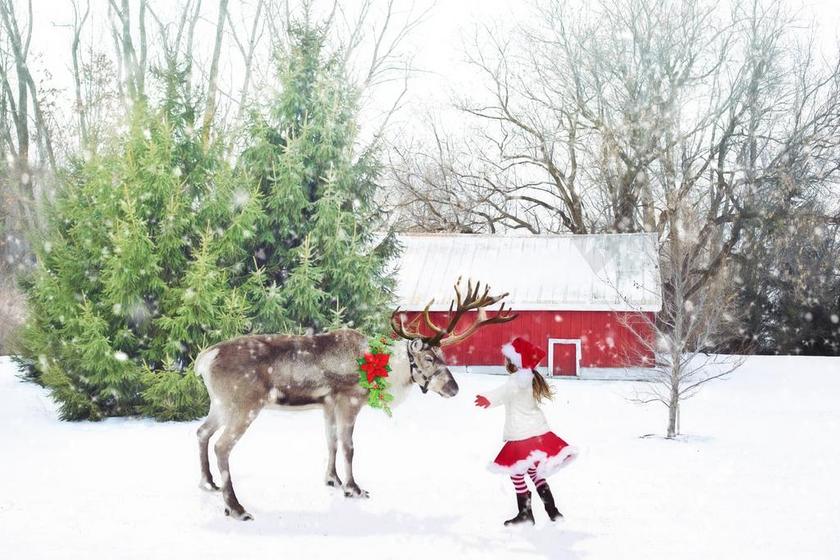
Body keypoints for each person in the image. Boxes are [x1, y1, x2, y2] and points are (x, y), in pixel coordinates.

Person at [475, 337, 578, 526]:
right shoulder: (529, 377)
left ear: (514, 362)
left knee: (516, 473)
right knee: (534, 473)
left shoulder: (516, 380)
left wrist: (488, 399)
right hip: (537, 431)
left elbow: (502, 393)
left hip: (522, 434)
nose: (505, 362)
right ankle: (553, 512)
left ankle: (525, 513)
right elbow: (506, 393)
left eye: (507, 358)